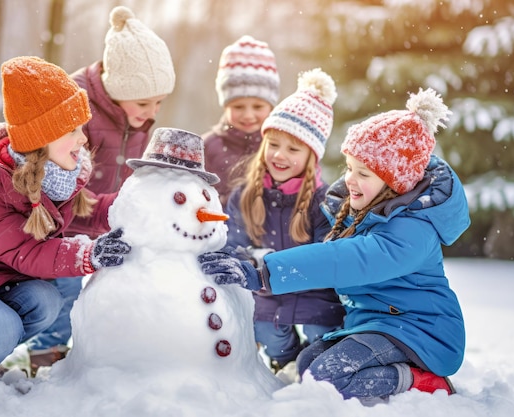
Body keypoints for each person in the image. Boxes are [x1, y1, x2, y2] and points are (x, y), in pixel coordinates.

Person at [199, 88, 469, 403]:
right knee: (306, 365)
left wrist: (265, 272)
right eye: (349, 168)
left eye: (363, 173)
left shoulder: (413, 230)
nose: (350, 179)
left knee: (325, 377)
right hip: (375, 324)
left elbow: (347, 259)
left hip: (420, 331)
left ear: (394, 184)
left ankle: (417, 380)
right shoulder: (363, 212)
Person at [0, 56, 132, 403]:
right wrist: (88, 254)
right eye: (72, 131)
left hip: (0, 281)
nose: (82, 140)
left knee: (46, 302)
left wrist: (135, 206)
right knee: (2, 327)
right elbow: (26, 252)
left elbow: (91, 212)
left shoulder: (58, 178)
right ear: (42, 138)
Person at [26, 5, 175, 376]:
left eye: (159, 102)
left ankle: (108, 354)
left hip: (108, 217)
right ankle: (47, 353)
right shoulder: (75, 104)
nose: (152, 111)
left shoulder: (135, 114)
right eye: (144, 102)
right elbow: (52, 170)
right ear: (116, 85)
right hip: (65, 219)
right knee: (64, 287)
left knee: (123, 283)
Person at [224, 68, 345, 376]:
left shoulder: (323, 201)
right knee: (267, 331)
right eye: (273, 144)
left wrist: (273, 263)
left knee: (322, 334)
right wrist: (247, 261)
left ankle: (311, 366)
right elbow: (232, 244)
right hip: (266, 292)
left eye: (293, 149)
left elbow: (326, 256)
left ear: (311, 157)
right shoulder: (245, 195)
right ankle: (286, 361)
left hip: (316, 293)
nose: (280, 155)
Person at [202, 35, 280, 208]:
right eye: (238, 107)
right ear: (225, 105)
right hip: (219, 231)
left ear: (271, 106)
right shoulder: (207, 147)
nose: (248, 115)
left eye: (258, 107)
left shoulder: (278, 147)